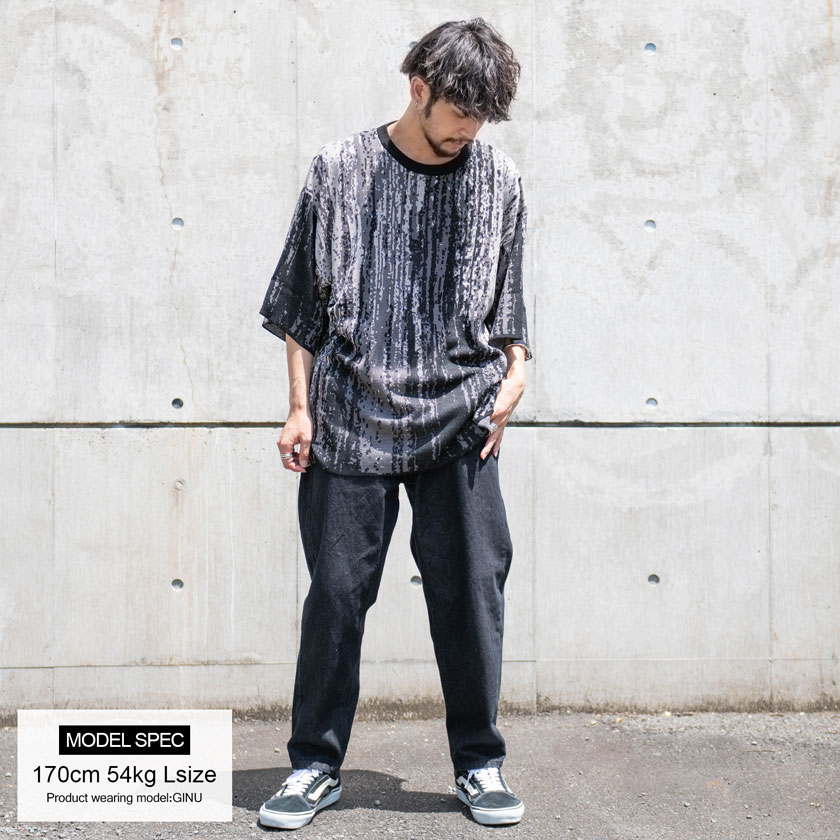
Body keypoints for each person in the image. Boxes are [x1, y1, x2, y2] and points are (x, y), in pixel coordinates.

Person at [257, 17, 533, 830]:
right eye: (460, 114)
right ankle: (313, 766)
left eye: (483, 119)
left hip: (462, 419)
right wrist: (299, 407)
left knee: (472, 592)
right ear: (418, 88)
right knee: (338, 597)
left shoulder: (499, 178)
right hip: (349, 418)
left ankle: (479, 762)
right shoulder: (339, 170)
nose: (470, 132)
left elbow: (511, 305)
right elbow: (301, 307)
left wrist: (519, 368)